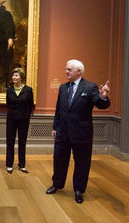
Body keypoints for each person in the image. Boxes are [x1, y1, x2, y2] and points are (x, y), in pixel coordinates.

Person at [46, 59, 110, 204]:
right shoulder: (63, 88)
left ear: (78, 71)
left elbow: (100, 104)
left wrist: (103, 97)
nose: (66, 71)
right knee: (59, 160)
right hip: (63, 131)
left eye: (69, 69)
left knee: (81, 162)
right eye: (66, 69)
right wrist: (55, 127)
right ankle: (57, 184)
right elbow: (59, 109)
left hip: (82, 133)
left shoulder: (90, 87)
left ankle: (79, 190)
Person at [5, 67, 34, 174]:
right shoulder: (9, 90)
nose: (14, 77)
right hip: (11, 119)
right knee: (10, 142)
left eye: (16, 75)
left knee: (22, 142)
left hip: (24, 120)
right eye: (13, 75)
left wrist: (25, 114)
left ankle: (22, 165)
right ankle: (9, 164)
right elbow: (8, 104)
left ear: (21, 77)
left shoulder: (28, 90)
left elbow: (30, 105)